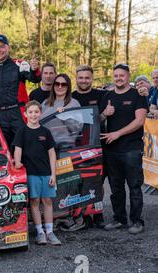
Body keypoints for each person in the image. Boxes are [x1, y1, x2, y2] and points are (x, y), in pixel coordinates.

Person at [99, 63, 148, 234]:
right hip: (111, 149)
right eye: (116, 75)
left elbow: (140, 121)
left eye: (122, 75)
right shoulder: (107, 96)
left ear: (128, 76)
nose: (119, 78)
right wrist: (105, 113)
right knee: (116, 187)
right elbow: (97, 119)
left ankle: (137, 221)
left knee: (134, 186)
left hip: (131, 149)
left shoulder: (137, 95)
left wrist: (118, 133)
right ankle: (119, 219)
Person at [12, 100, 61, 246]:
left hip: (46, 172)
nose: (34, 115)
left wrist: (53, 174)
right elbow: (17, 149)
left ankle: (50, 232)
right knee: (34, 201)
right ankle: (40, 233)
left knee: (47, 201)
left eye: (36, 112)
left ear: (40, 113)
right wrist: (18, 161)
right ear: (25, 114)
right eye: (31, 112)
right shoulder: (22, 131)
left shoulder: (45, 132)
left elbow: (52, 154)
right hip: (31, 173)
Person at [71, 64, 107, 230]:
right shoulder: (70, 98)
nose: (84, 81)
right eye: (81, 78)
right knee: (81, 182)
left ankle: (98, 214)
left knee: (97, 181)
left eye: (87, 78)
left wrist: (143, 93)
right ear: (76, 78)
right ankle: (84, 215)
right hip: (78, 146)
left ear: (92, 79)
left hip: (98, 145)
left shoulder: (102, 95)